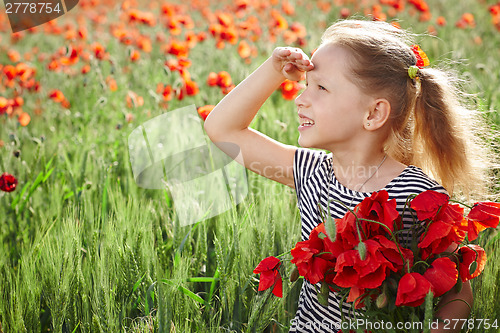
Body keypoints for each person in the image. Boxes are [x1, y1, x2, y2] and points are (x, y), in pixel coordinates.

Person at [204, 19, 488, 333]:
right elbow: (222, 129)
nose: (301, 99)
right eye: (305, 86)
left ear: (373, 114)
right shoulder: (310, 171)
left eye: (321, 88)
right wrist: (273, 70)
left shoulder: (418, 194)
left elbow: (457, 289)